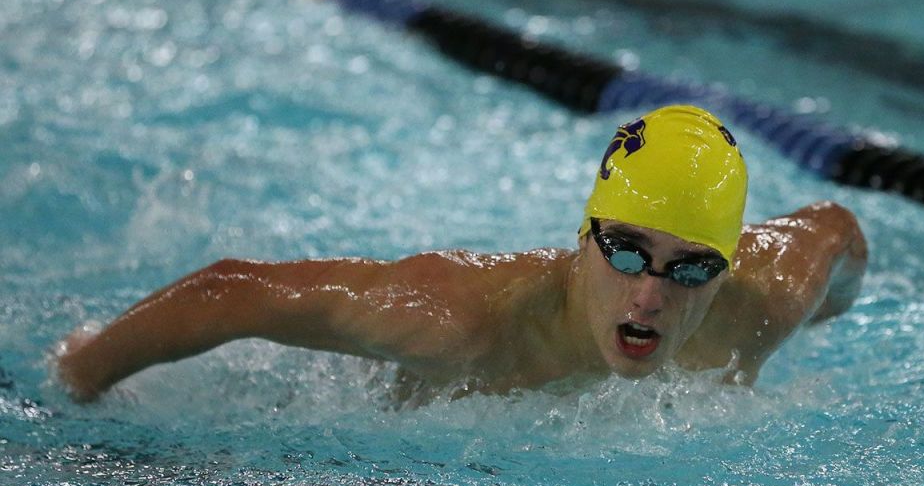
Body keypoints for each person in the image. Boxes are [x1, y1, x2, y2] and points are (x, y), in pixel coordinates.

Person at [55, 105, 867, 402]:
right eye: (625, 252)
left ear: (724, 270)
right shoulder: (458, 319)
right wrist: (79, 375)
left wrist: (833, 313)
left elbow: (835, 227)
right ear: (584, 239)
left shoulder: (762, 303)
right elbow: (232, 290)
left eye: (688, 266)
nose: (648, 294)